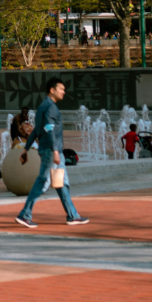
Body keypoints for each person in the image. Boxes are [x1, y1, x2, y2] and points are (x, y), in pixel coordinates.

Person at [16, 76, 89, 228]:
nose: (64, 92)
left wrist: (25, 149)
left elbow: (36, 129)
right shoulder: (50, 107)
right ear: (52, 90)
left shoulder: (42, 106)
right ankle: (25, 214)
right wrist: (55, 151)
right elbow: (49, 129)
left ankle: (73, 215)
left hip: (52, 150)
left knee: (62, 183)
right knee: (43, 181)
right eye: (61, 89)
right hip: (51, 150)